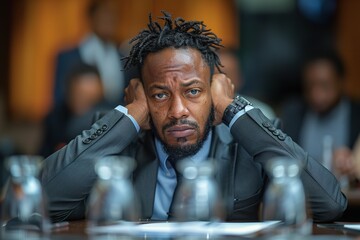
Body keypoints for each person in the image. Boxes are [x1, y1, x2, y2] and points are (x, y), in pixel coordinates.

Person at [41, 12, 347, 223]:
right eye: (160, 94)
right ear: (141, 96)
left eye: (193, 92)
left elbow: (330, 204)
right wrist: (132, 114)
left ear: (214, 93)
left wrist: (233, 108)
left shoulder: (247, 142)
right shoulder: (119, 140)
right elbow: (43, 201)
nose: (178, 112)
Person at [281, 50, 360, 179]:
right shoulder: (294, 114)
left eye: (325, 86)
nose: (316, 95)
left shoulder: (356, 114)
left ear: (341, 83)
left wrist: (353, 163)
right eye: (310, 87)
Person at [54, 0, 135, 107]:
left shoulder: (124, 58)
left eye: (112, 15)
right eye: (104, 14)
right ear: (91, 18)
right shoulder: (68, 57)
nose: (109, 20)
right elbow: (59, 100)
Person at [40, 63, 111, 157]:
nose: (85, 103)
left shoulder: (109, 118)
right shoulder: (55, 119)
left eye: (91, 100)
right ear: (68, 92)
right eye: (80, 96)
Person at [217, 49, 276, 120]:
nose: (222, 80)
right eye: (217, 75)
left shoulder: (260, 111)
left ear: (239, 78)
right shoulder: (204, 113)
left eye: (227, 75)